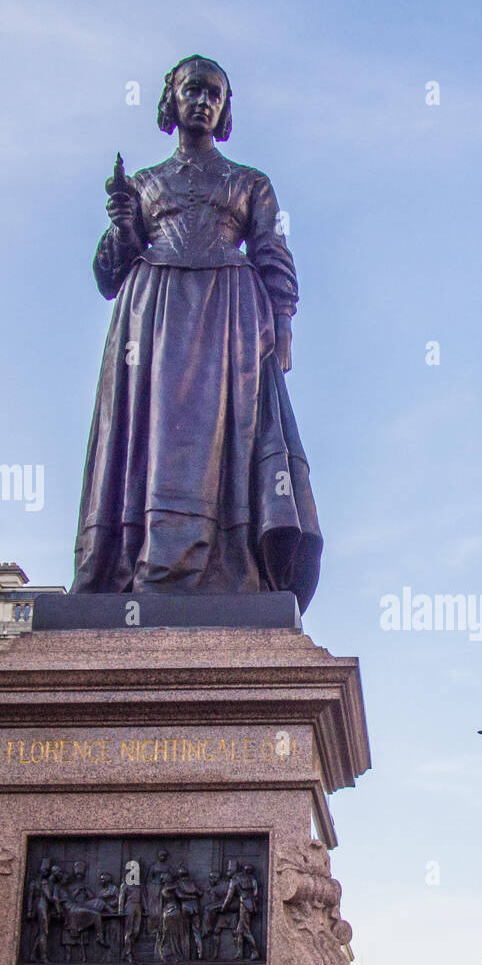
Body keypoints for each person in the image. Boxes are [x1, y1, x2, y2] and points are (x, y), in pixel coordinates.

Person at [73, 55, 321, 605]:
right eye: (193, 90)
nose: (204, 101)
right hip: (152, 315)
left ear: (225, 106)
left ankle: (227, 563)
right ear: (172, 98)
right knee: (152, 437)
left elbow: (272, 251)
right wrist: (121, 225)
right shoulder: (143, 184)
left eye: (215, 93)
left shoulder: (250, 182)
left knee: (221, 439)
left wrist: (283, 324)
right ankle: (136, 558)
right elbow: (107, 276)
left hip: (228, 315)